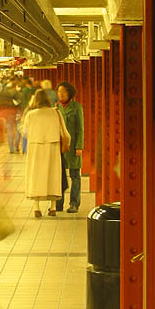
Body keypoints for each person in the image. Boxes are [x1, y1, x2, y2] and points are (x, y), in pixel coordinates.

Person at [22, 89, 70, 218]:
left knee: (36, 175)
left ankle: (36, 208)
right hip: (53, 146)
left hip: (35, 147)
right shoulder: (56, 113)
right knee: (53, 174)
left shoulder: (31, 114)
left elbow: (24, 132)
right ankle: (53, 207)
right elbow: (63, 132)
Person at [57, 81, 85, 213]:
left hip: (73, 147)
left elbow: (80, 129)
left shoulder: (76, 107)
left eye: (63, 91)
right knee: (59, 175)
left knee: (75, 175)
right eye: (59, 92)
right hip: (60, 147)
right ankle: (58, 203)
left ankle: (74, 203)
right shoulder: (57, 108)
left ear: (69, 93)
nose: (60, 94)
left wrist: (79, 146)